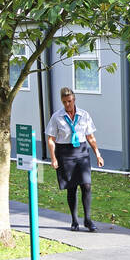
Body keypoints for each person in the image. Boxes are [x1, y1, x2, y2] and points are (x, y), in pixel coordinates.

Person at [46, 87, 104, 231]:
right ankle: (74, 221)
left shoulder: (84, 115)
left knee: (86, 185)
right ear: (62, 101)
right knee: (71, 188)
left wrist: (97, 153)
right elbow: (51, 139)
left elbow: (90, 137)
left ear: (74, 100)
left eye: (70, 101)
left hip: (81, 152)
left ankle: (88, 220)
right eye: (65, 102)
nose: (67, 104)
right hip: (65, 153)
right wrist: (53, 158)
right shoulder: (56, 117)